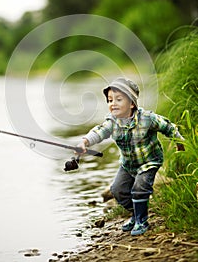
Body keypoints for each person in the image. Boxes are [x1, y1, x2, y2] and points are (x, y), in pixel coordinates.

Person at [76, 77, 185, 236]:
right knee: (117, 190)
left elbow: (167, 126)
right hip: (128, 164)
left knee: (140, 188)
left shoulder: (147, 118)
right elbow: (99, 131)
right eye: (110, 100)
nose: (113, 103)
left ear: (132, 103)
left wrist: (178, 140)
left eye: (118, 99)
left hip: (149, 161)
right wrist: (84, 142)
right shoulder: (112, 122)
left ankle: (142, 220)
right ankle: (135, 214)